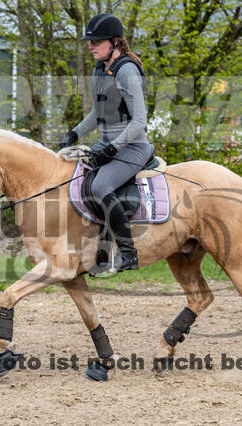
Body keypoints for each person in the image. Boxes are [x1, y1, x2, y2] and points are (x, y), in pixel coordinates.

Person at [59, 13, 154, 272]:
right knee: (82, 183)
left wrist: (112, 148)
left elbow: (139, 121)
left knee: (100, 187)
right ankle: (100, 253)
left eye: (96, 42)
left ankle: (128, 253)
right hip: (108, 149)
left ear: (114, 42)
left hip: (133, 148)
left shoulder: (127, 70)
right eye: (89, 42)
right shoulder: (100, 69)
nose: (91, 46)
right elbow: (96, 114)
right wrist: (74, 134)